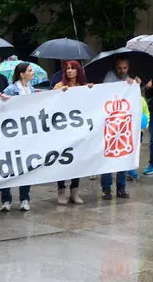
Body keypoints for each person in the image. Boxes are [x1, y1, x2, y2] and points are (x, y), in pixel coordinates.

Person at [0, 62, 38, 211]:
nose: (32, 72)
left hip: (26, 133)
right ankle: (6, 199)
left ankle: (25, 198)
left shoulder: (31, 89)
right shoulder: (11, 89)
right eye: (29, 70)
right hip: (12, 133)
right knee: (8, 165)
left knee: (26, 166)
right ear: (22, 74)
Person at [53, 61, 92, 205]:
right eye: (67, 69)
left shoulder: (83, 87)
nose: (69, 71)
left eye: (72, 69)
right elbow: (50, 102)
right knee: (63, 160)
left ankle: (74, 191)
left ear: (78, 71)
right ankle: (61, 191)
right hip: (62, 130)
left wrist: (90, 91)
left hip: (78, 129)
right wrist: (59, 94)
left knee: (77, 161)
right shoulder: (59, 86)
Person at [100, 57, 140, 200]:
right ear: (115, 67)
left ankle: (121, 187)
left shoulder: (130, 79)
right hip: (110, 123)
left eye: (125, 68)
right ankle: (106, 188)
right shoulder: (109, 77)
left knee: (123, 156)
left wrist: (135, 85)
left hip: (123, 124)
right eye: (119, 68)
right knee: (108, 157)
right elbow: (104, 93)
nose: (122, 71)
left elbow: (136, 99)